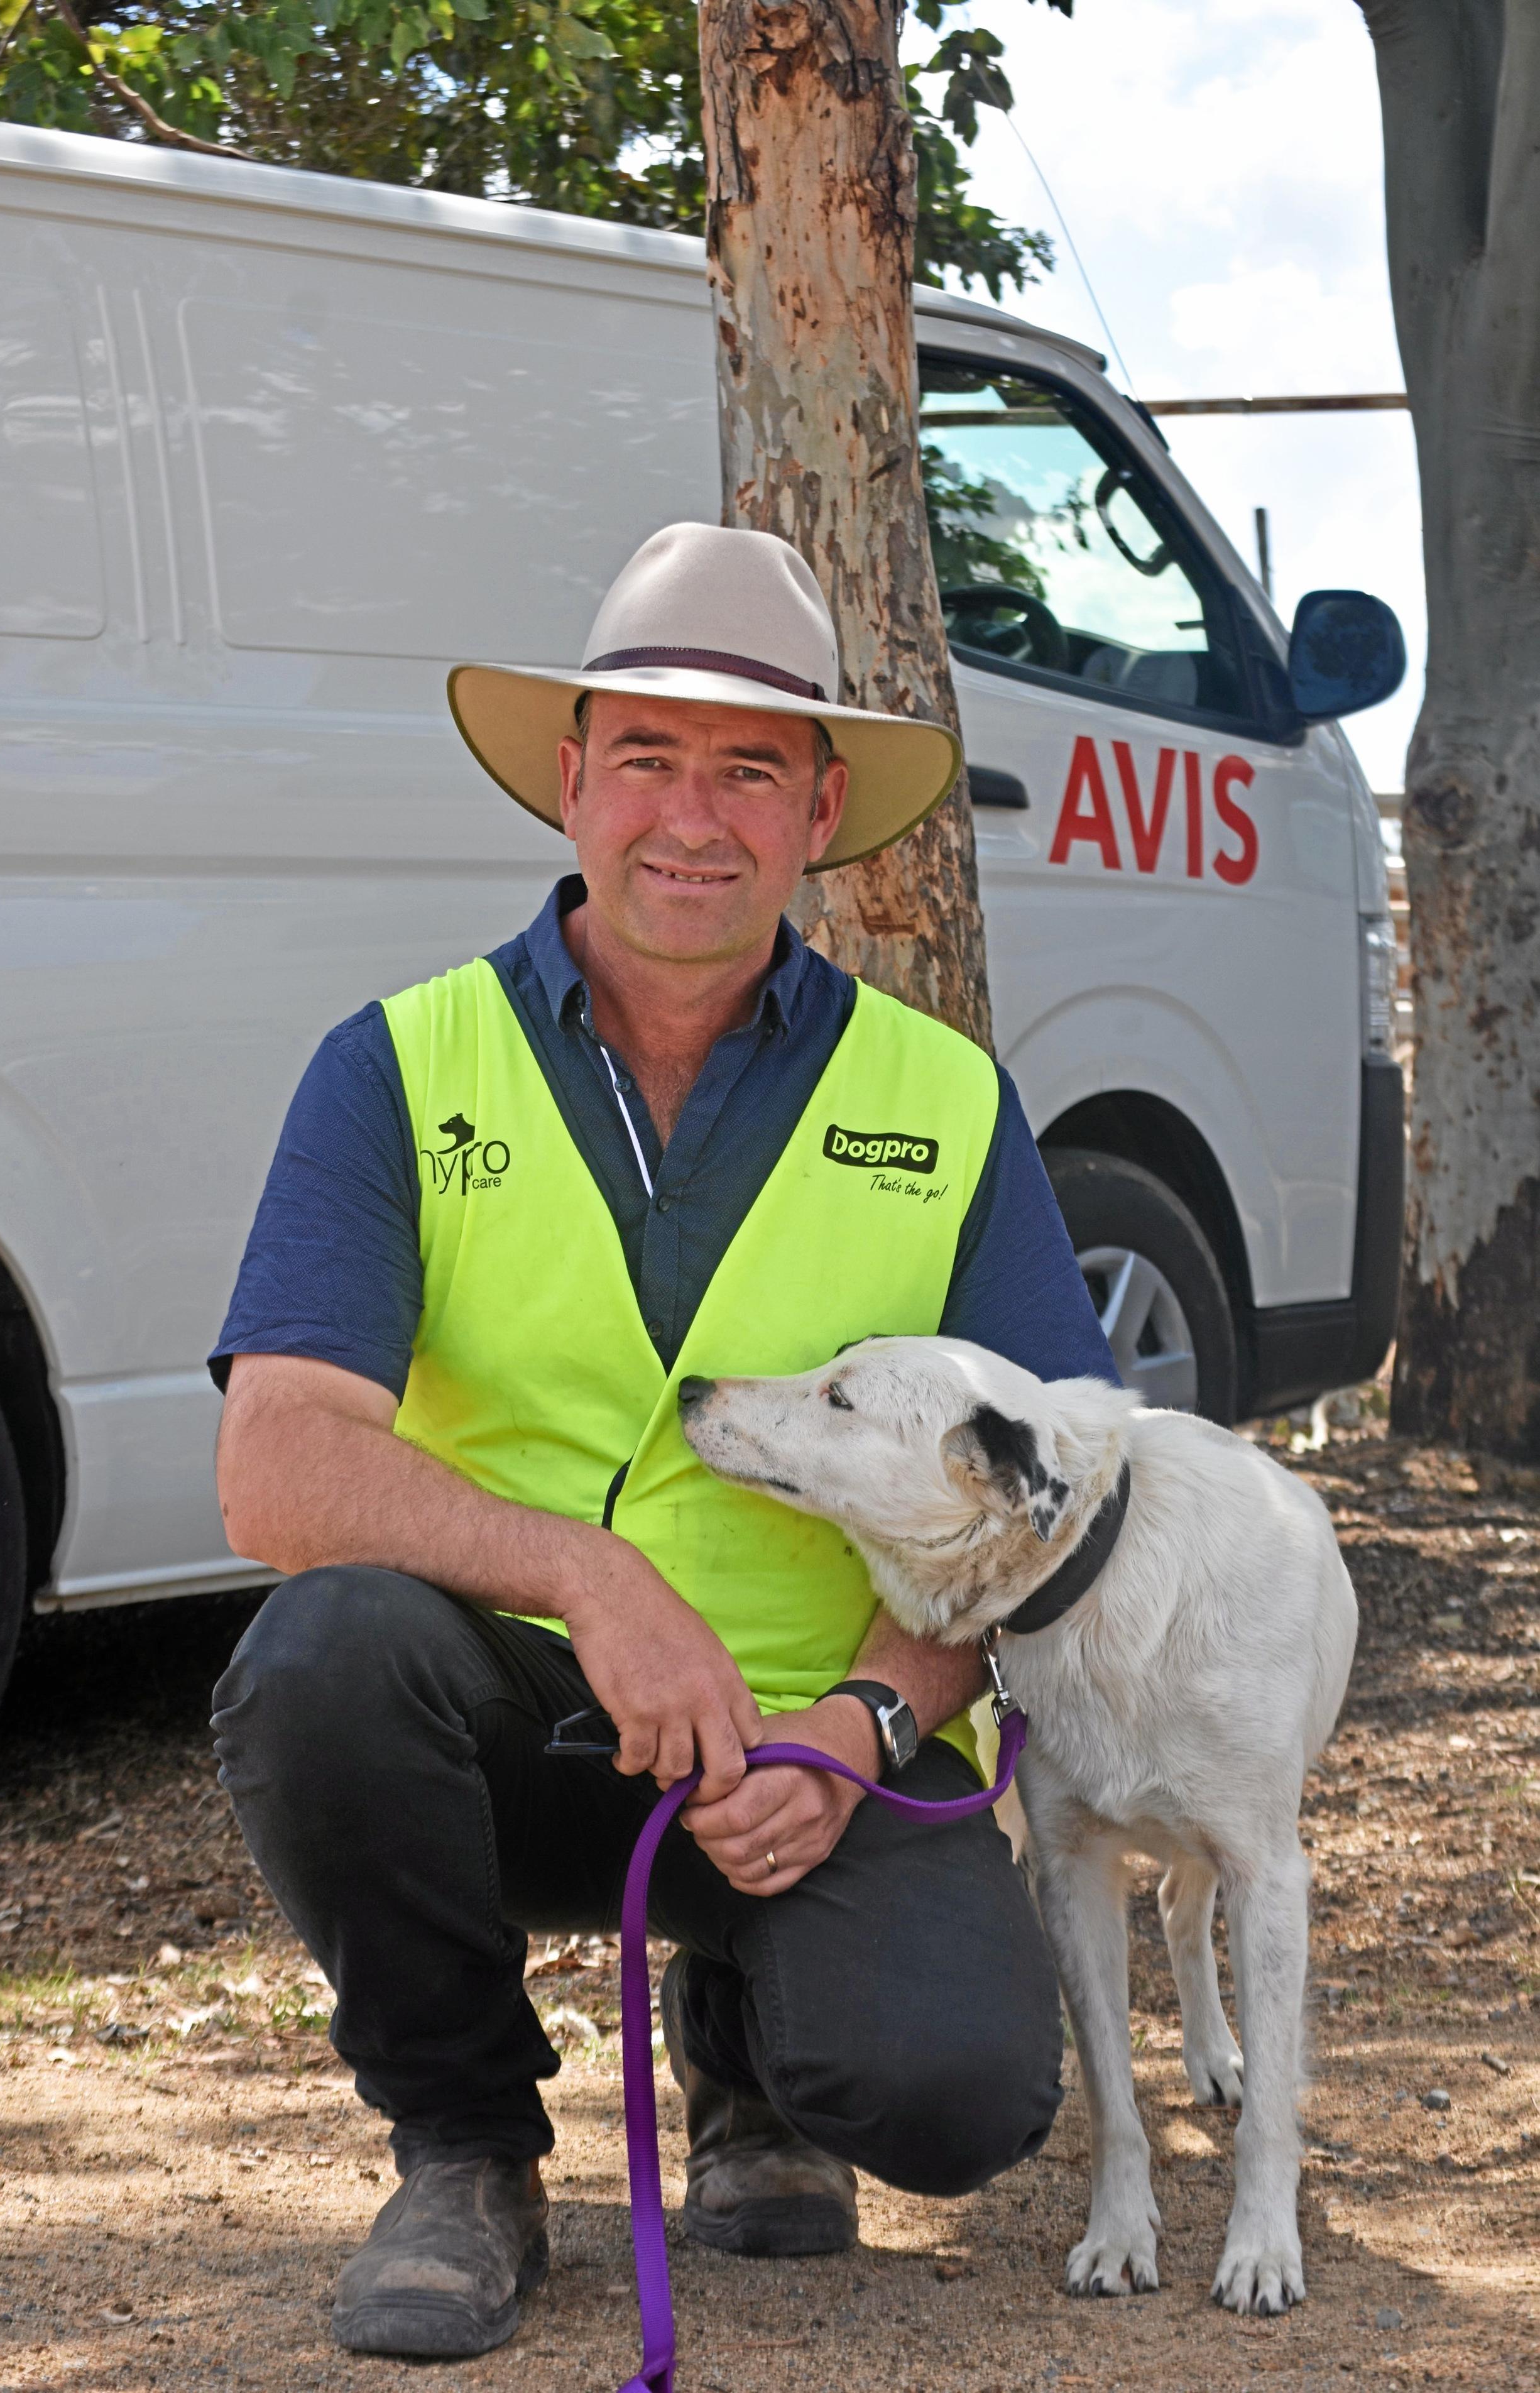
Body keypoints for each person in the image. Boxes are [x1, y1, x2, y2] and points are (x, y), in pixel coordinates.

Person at [208, 522, 1118, 2362]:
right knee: (317, 1658)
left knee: (953, 2100)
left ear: (818, 809)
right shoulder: (394, 1064)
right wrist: (583, 1575)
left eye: (745, 769)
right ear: (568, 782)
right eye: (642, 757)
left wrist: (863, 1724)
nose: (686, 817)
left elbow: (1056, 1499)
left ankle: (753, 2056)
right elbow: (278, 1464)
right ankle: (462, 2147)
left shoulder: (940, 1098)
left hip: (817, 1745)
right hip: (510, 1720)